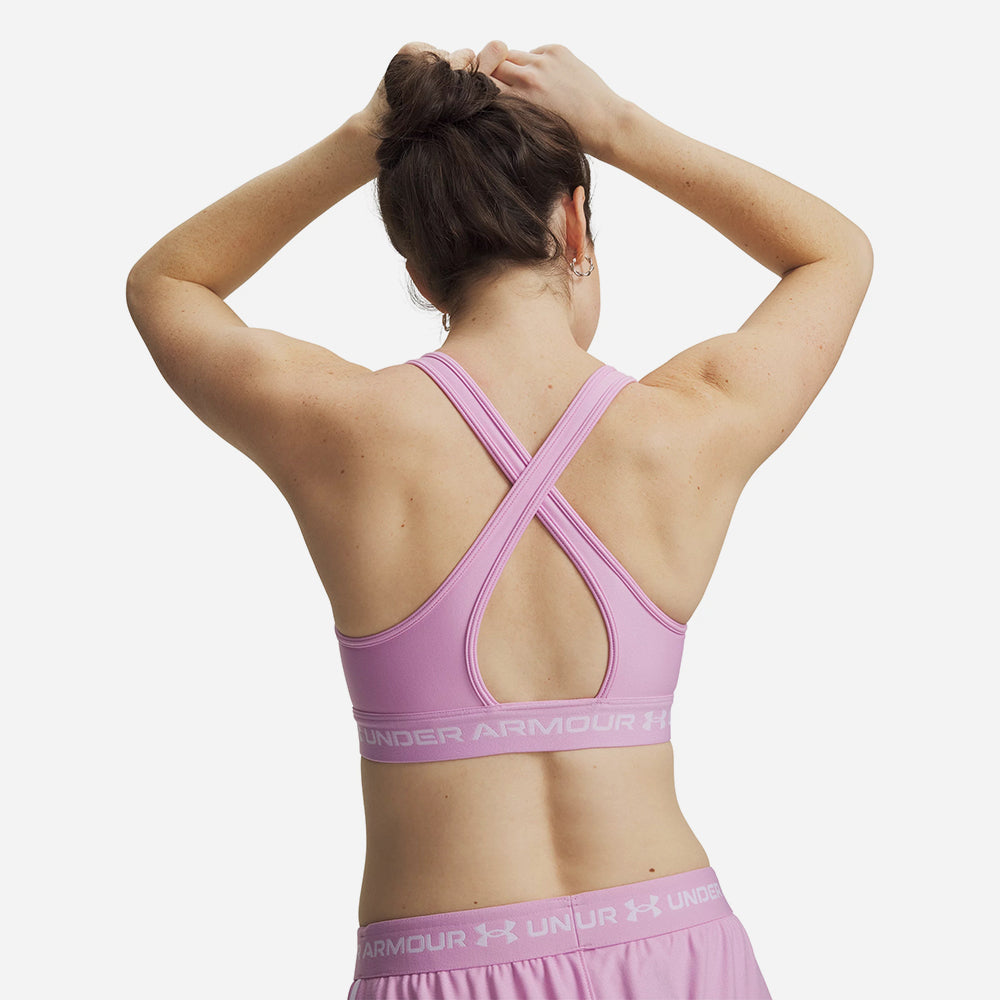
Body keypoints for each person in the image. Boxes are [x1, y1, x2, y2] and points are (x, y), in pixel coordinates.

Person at [126, 38, 872, 1000]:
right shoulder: (690, 423)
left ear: (419, 270)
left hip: (447, 967)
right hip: (679, 948)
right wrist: (618, 126)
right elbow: (834, 252)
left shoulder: (342, 430)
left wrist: (366, 137)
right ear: (576, 225)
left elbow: (169, 283)